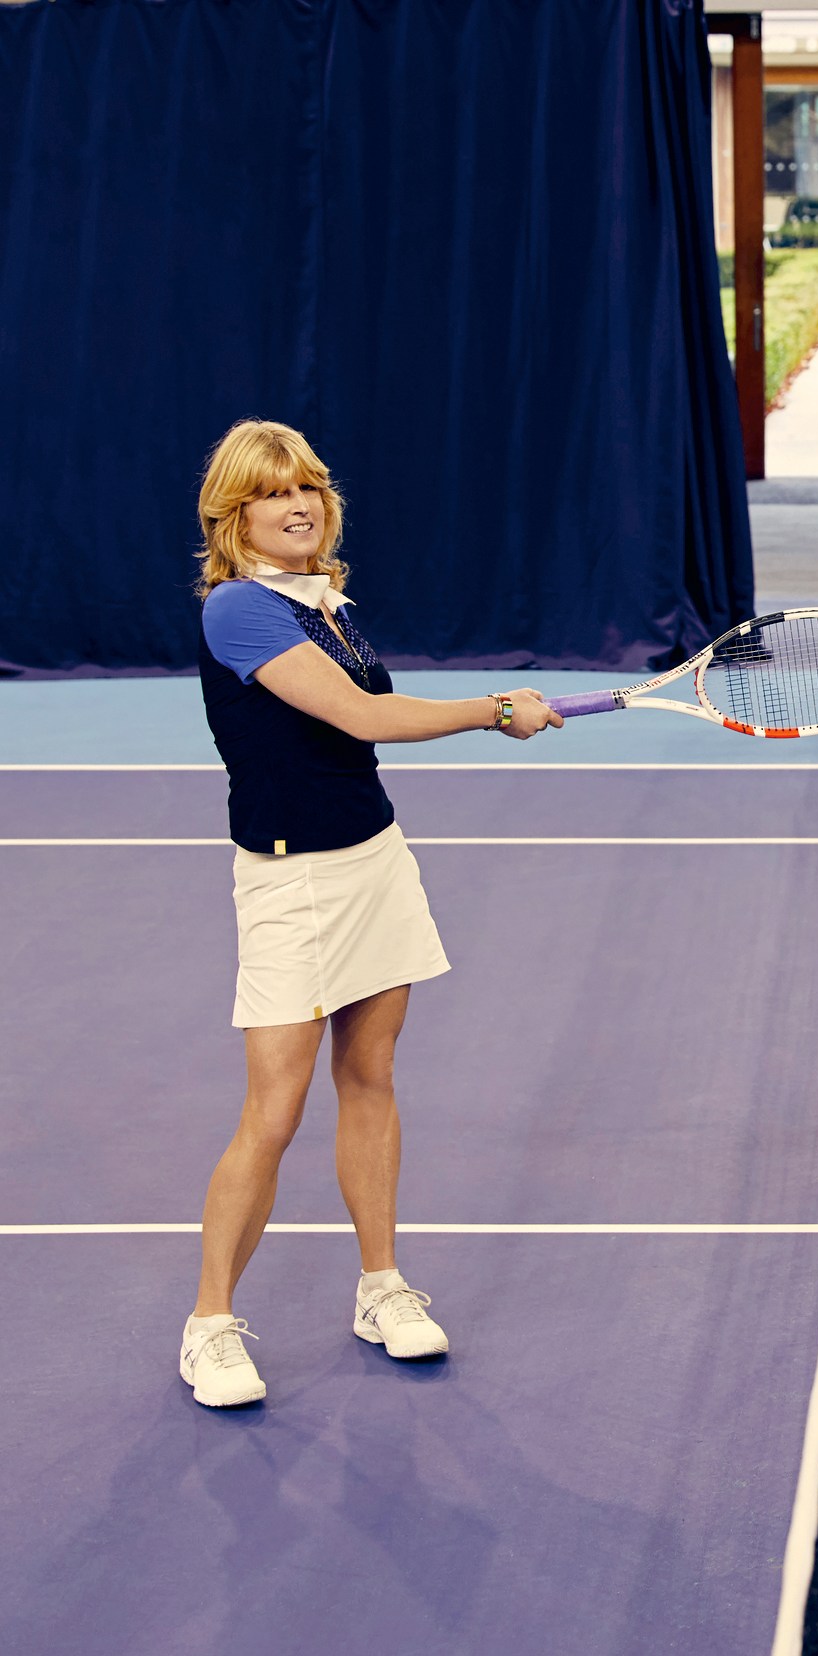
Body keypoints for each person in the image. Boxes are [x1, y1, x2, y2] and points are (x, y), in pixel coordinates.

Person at [180, 419, 562, 1407]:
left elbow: (358, 738)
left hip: (373, 863)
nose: (297, 505)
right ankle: (210, 1323)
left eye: (307, 486)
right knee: (273, 1112)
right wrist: (491, 710)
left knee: (370, 1075)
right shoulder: (241, 612)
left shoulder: (326, 604)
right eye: (272, 494)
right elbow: (359, 719)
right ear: (235, 515)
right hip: (291, 881)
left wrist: (498, 709)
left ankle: (380, 1286)